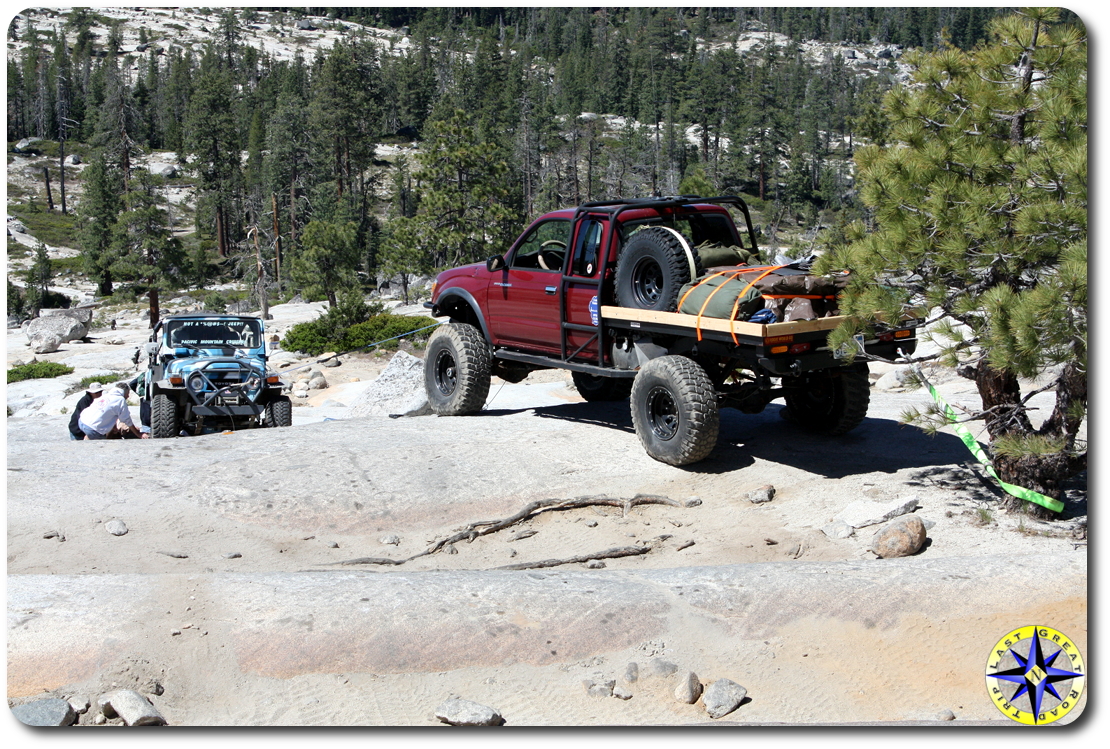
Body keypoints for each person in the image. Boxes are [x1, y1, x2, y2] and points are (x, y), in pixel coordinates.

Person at [78, 382, 149, 440]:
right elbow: (127, 420)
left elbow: (109, 414)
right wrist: (138, 434)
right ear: (124, 392)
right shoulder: (120, 399)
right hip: (93, 428)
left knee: (90, 435)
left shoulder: (106, 395)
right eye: (128, 393)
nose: (128, 396)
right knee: (101, 445)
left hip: (82, 421)